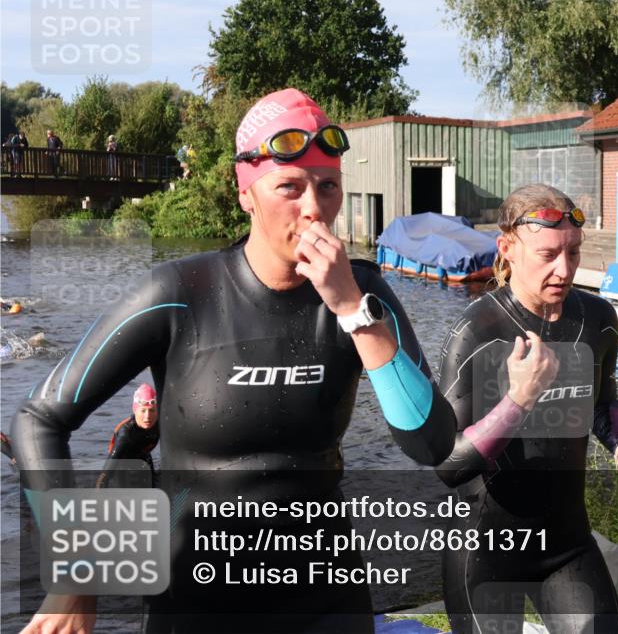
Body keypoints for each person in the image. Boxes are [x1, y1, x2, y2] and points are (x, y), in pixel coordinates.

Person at [11, 88, 455, 634]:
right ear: (246, 193)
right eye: (289, 187)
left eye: (328, 186)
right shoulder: (179, 292)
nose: (314, 208)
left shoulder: (365, 294)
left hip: (324, 596)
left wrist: (352, 313)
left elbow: (433, 444)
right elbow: (40, 419)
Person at [435, 184, 618, 634]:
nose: (565, 269)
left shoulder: (597, 320)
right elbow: (448, 464)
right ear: (508, 249)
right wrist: (518, 401)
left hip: (566, 543)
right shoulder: (477, 332)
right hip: (485, 548)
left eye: (573, 252)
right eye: (548, 254)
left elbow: (602, 400)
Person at [95, 383, 160, 489]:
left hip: (144, 455)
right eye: (143, 410)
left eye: (151, 410)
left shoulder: (160, 423)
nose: (147, 416)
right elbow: (106, 473)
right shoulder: (126, 434)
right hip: (122, 463)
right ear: (135, 411)